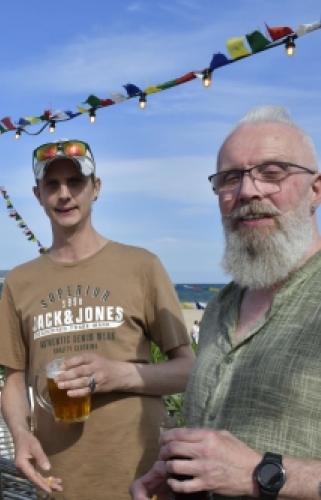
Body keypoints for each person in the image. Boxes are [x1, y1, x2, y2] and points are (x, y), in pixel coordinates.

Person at [130, 105, 321, 500]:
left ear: (315, 190)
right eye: (230, 178)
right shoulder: (221, 307)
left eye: (273, 173)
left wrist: (260, 472)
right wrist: (178, 471)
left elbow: (241, 467)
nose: (248, 191)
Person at [0, 139, 195, 500]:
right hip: (59, 480)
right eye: (52, 185)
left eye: (76, 182)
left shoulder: (141, 266)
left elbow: (189, 371)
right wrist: (20, 435)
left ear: (95, 188)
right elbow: (13, 381)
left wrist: (117, 374)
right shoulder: (19, 282)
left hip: (142, 479)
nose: (64, 194)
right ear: (37, 194)